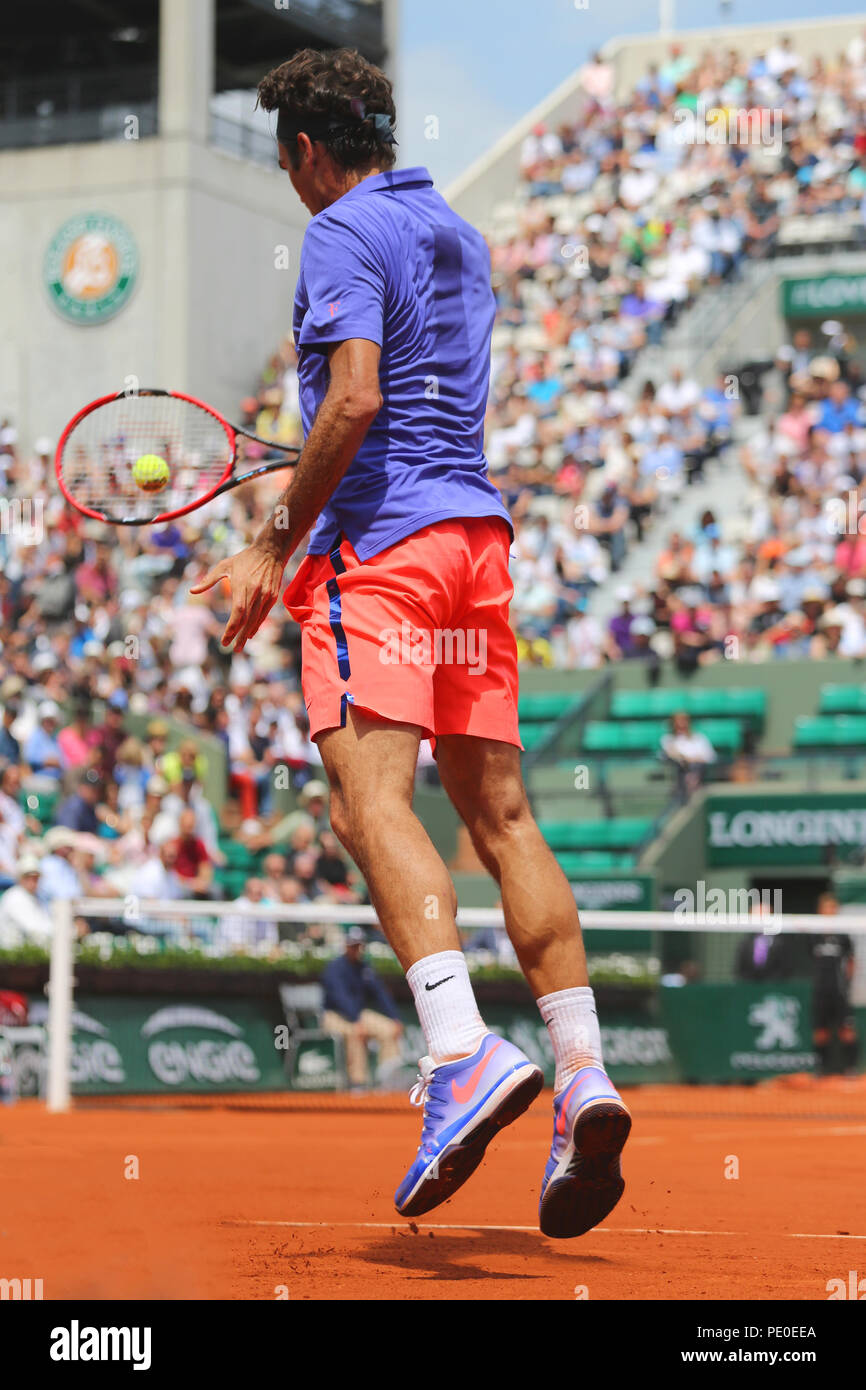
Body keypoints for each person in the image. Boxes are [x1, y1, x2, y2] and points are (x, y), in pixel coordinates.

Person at [192, 45, 631, 1237]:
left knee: (365, 802)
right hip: (475, 547)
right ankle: (581, 1067)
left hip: (381, 553)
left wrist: (274, 543)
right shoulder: (454, 229)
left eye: (289, 161)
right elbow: (405, 403)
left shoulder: (338, 226)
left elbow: (356, 400)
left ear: (308, 153)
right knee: (502, 820)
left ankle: (457, 1052)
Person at [321, 927, 403, 1088]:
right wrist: (356, 1021)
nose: (357, 949)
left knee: (390, 1029)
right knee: (355, 1033)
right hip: (334, 1016)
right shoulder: (334, 968)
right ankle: (358, 1084)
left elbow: (381, 994)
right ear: (346, 946)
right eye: (353, 945)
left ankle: (387, 1079)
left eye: (359, 945)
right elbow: (340, 998)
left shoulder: (364, 967)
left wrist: (395, 1018)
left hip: (357, 1014)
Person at [809, 892, 859, 1077]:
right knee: (820, 1032)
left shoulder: (843, 935)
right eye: (826, 908)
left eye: (832, 908)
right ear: (820, 910)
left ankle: (850, 1069)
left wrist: (847, 983)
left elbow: (852, 960)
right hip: (821, 991)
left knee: (847, 1030)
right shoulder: (814, 935)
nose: (829, 911)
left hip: (840, 991)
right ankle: (821, 1070)